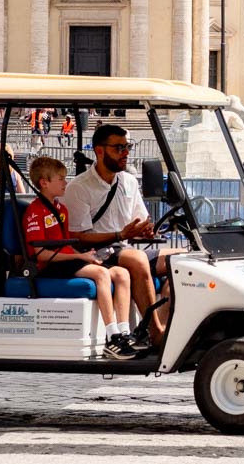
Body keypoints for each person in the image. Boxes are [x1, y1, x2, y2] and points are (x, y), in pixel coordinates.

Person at [23, 156, 141, 359]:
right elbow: (41, 253)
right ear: (44, 182)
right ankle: (112, 337)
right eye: (60, 179)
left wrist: (84, 256)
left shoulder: (62, 210)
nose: (65, 183)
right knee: (102, 273)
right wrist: (81, 258)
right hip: (50, 265)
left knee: (121, 273)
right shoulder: (34, 212)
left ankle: (124, 332)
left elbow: (66, 245)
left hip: (67, 260)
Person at [65, 124, 167, 346]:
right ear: (99, 151)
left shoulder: (128, 181)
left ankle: (165, 325)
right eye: (118, 148)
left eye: (127, 146)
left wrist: (146, 231)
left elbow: (138, 224)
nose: (126, 153)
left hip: (123, 248)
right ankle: (156, 331)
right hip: (96, 252)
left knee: (181, 260)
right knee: (138, 259)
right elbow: (78, 237)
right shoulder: (79, 187)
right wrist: (121, 233)